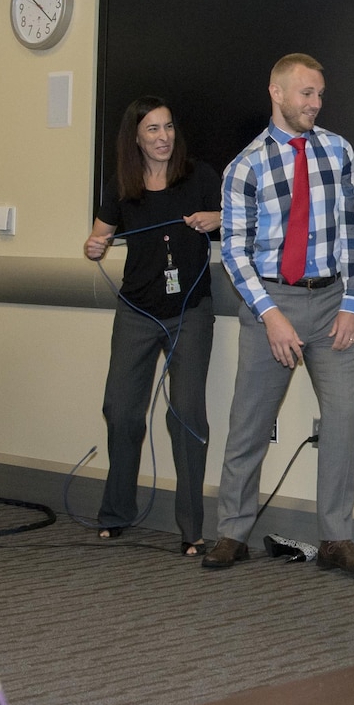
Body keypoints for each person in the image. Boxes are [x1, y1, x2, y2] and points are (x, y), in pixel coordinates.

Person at [206, 53, 354, 574]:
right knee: (249, 424)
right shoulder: (245, 166)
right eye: (306, 94)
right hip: (269, 304)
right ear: (277, 93)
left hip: (331, 303)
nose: (316, 103)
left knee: (342, 422)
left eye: (320, 94)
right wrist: (270, 315)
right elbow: (234, 251)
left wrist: (353, 302)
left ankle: (336, 539)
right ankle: (232, 532)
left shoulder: (338, 150)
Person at [82, 98, 221, 554]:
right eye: (152, 130)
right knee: (121, 411)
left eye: (168, 126)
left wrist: (217, 219)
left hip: (190, 312)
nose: (163, 137)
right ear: (136, 138)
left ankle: (191, 530)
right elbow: (99, 234)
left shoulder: (199, 176)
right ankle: (116, 512)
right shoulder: (122, 184)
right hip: (137, 311)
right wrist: (94, 246)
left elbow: (245, 220)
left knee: (185, 414)